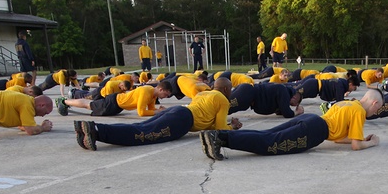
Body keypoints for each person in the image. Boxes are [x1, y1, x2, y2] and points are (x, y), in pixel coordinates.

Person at [198, 89, 384, 160]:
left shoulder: (349, 103)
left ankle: (217, 136)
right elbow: (355, 145)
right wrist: (371, 142)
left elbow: (340, 139)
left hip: (311, 120)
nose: (375, 113)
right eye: (378, 109)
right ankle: (220, 137)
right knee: (269, 144)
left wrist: (357, 138)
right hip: (314, 131)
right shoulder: (359, 112)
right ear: (374, 103)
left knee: (267, 135)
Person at [72, 83, 237, 151]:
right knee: (143, 135)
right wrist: (232, 127)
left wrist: (227, 124)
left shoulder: (204, 93)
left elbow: (208, 121)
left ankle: (89, 130)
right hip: (182, 120)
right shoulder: (223, 100)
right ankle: (96, 130)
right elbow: (220, 129)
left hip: (178, 111)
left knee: (140, 128)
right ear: (226, 90)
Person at [57, 83, 173, 117]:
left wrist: (158, 110)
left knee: (90, 104)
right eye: (166, 95)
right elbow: (141, 112)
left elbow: (151, 110)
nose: (166, 97)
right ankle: (64, 101)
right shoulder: (146, 91)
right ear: (161, 89)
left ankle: (67, 101)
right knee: (89, 105)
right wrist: (158, 112)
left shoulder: (153, 95)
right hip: (114, 102)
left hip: (118, 106)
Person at [228, 82, 304, 118]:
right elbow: (287, 113)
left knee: (225, 105)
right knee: (225, 107)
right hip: (248, 93)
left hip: (247, 91)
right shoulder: (284, 92)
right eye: (296, 103)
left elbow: (281, 111)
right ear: (295, 97)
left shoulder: (283, 91)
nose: (293, 105)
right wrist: (297, 112)